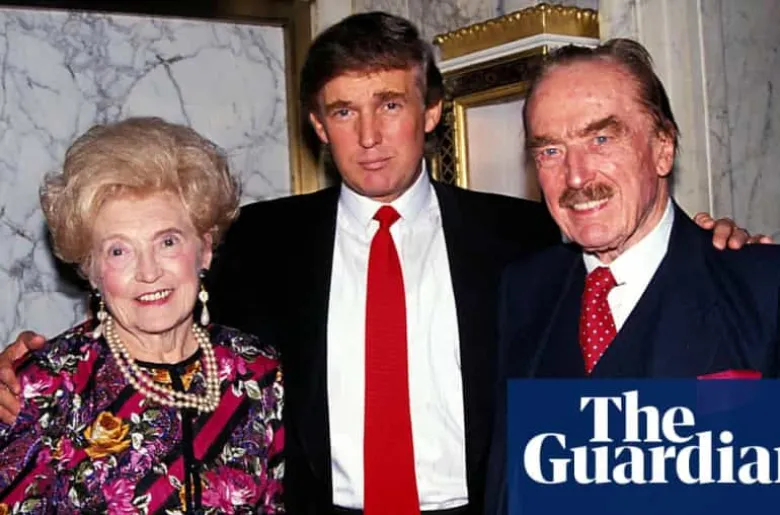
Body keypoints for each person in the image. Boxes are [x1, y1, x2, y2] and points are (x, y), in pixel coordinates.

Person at [0, 13, 763, 515]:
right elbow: (148, 305)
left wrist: (718, 247)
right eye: (343, 110)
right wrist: (24, 369)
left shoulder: (526, 236)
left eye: (391, 104)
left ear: (430, 113)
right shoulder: (253, 241)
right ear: (316, 125)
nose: (368, 135)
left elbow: (637, 254)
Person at [485, 39, 780, 513]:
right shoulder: (524, 290)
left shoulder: (761, 286)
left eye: (601, 139)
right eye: (551, 151)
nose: (576, 177)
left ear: (663, 148)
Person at [0, 118, 284, 514]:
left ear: (204, 249)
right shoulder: (42, 386)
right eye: (119, 251)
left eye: (167, 242)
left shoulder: (258, 371)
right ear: (92, 269)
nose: (148, 272)